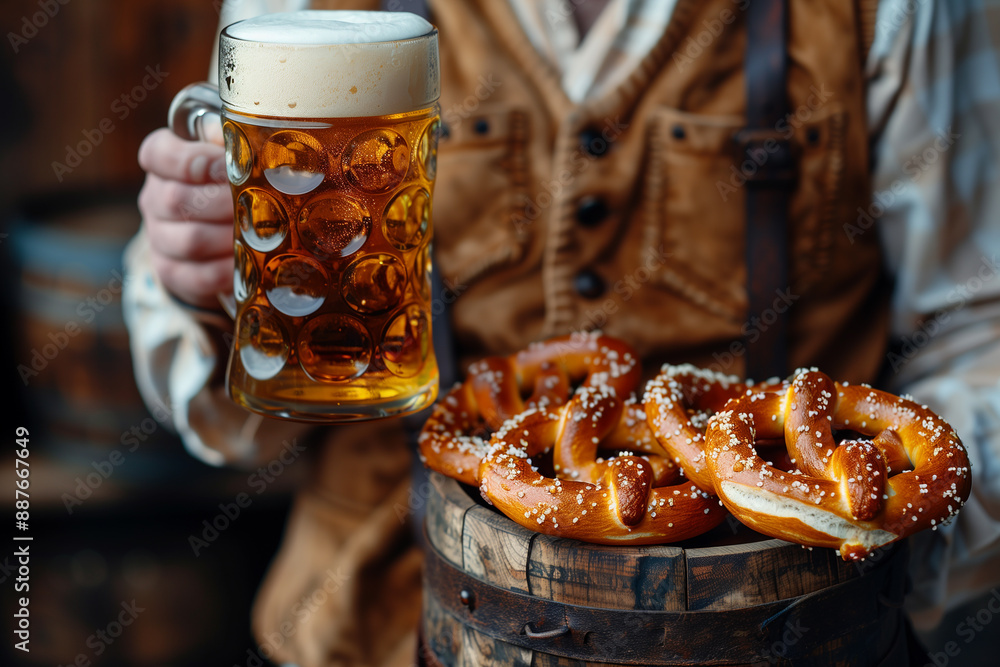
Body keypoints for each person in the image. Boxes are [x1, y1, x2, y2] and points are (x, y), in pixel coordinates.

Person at [126, 0, 1000, 665]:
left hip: (787, 636)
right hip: (365, 626)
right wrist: (205, 293)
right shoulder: (299, 20)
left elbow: (982, 322)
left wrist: (861, 565)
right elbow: (243, 430)